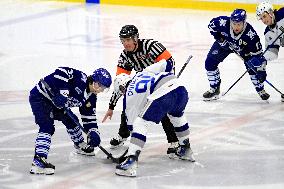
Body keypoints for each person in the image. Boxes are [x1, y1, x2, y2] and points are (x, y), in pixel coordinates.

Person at [102, 25, 179, 156]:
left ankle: (174, 141)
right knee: (129, 103)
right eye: (123, 40)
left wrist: (167, 84)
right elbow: (120, 82)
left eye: (128, 40)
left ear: (136, 39)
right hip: (143, 85)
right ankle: (123, 134)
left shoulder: (151, 45)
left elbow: (169, 62)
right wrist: (111, 106)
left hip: (158, 83)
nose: (125, 43)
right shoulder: (125, 56)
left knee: (163, 110)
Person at [113, 61, 195, 177]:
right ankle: (185, 149)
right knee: (177, 116)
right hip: (180, 89)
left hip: (163, 95)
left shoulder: (129, 96)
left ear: (122, 87)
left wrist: (133, 146)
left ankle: (131, 162)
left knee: (140, 124)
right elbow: (168, 63)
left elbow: (132, 127)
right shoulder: (143, 72)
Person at [29, 67, 112, 175]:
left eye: (104, 88)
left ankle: (80, 145)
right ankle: (38, 161)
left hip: (58, 105)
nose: (100, 90)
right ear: (93, 81)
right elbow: (61, 71)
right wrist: (63, 92)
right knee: (47, 126)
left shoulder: (91, 97)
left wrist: (93, 132)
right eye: (99, 85)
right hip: (41, 98)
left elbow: (89, 117)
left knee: (72, 121)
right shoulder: (80, 78)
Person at [203, 9, 270, 101]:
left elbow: (258, 56)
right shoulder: (223, 22)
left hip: (243, 50)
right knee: (209, 63)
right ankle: (214, 89)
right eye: (234, 23)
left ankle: (260, 90)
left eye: (239, 24)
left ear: (244, 22)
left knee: (253, 67)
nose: (236, 27)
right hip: (224, 45)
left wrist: (261, 71)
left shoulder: (251, 35)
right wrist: (220, 40)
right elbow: (211, 26)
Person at [256, 1, 284, 102]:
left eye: (264, 16)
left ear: (271, 12)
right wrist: (262, 59)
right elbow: (273, 52)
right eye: (261, 18)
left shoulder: (283, 13)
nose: (263, 20)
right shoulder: (268, 33)